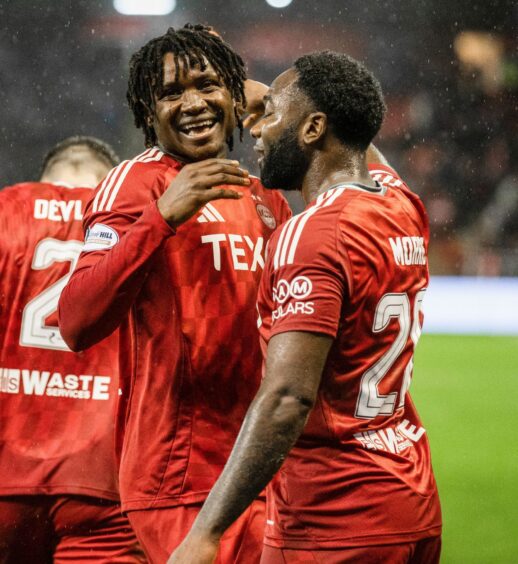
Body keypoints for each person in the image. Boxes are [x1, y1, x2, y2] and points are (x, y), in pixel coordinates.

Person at [169, 50, 442, 564]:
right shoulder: (399, 205)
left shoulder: (313, 234)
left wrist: (207, 532)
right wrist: (276, 97)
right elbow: (361, 146)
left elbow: (288, 398)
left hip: (333, 520)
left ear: (313, 128)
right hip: (409, 502)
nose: (257, 128)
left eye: (271, 114)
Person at [58, 24, 291, 563]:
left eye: (208, 85)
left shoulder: (259, 194)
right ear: (148, 109)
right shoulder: (135, 185)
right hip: (184, 478)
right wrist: (159, 220)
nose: (192, 104)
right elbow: (75, 321)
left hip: (260, 466)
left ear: (234, 94)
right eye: (169, 93)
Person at [0, 136, 145, 562]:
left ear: (44, 178)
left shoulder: (7, 210)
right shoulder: (135, 224)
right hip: (103, 479)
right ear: (110, 180)